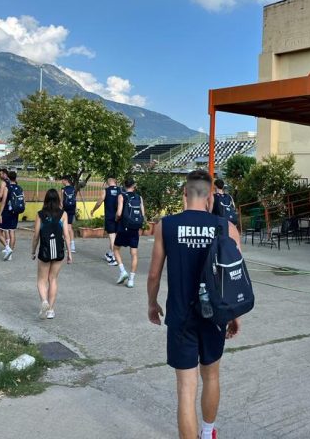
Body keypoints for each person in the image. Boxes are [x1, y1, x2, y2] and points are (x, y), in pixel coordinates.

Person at [147, 169, 242, 439]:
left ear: (184, 193)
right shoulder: (227, 228)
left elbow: (153, 274)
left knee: (186, 390)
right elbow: (234, 277)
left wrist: (152, 303)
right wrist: (234, 315)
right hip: (215, 316)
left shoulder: (166, 225)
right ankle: (208, 432)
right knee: (211, 377)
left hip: (181, 316)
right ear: (211, 195)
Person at [31, 188, 72, 319]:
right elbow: (66, 235)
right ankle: (51, 311)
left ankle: (44, 301)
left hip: (45, 251)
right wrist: (69, 253)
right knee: (53, 279)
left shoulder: (40, 214)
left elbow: (36, 235)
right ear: (58, 200)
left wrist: (33, 251)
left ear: (46, 200)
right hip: (58, 250)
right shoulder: (63, 214)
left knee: (41, 280)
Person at [113, 178, 145, 288]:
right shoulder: (139, 197)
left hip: (124, 228)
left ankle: (122, 271)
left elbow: (119, 213)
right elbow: (143, 214)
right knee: (134, 254)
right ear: (134, 186)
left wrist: (116, 219)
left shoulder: (122, 196)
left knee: (116, 249)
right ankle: (131, 280)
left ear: (124, 185)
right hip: (134, 229)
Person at [91, 176, 120, 265]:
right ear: (115, 182)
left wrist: (93, 210)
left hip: (110, 217)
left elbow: (99, 202)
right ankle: (110, 254)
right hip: (119, 217)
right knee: (115, 237)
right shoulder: (121, 190)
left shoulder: (106, 191)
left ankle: (114, 259)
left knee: (112, 237)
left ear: (107, 183)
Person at [0, 170, 20, 261]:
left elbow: (3, 201)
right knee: (12, 232)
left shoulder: (7, 188)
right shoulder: (20, 188)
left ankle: (7, 248)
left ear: (8, 177)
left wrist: (0, 214)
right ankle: (10, 254)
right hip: (15, 212)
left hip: (7, 212)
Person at [61, 176, 77, 253]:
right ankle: (72, 245)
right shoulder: (73, 189)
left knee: (65, 227)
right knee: (70, 227)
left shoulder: (63, 189)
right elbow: (75, 200)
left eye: (62, 180)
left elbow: (61, 201)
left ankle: (67, 245)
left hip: (65, 210)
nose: (62, 182)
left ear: (66, 180)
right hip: (72, 209)